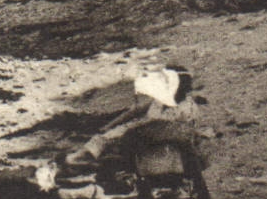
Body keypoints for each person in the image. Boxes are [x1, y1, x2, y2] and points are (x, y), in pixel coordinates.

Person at [61, 66, 200, 168]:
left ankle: (83, 159)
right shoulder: (160, 100)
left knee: (107, 140)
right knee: (109, 137)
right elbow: (134, 111)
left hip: (148, 134)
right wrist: (110, 124)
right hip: (144, 133)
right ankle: (85, 157)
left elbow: (186, 130)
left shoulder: (187, 107)